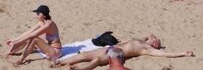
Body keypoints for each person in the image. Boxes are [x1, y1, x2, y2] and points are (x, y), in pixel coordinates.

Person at [60, 35, 194, 70]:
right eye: (155, 39)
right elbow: (139, 37)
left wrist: (182, 53)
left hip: (117, 54)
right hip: (110, 47)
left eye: (156, 43)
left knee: (97, 61)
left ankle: (80, 69)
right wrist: (148, 36)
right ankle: (59, 62)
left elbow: (164, 54)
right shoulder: (140, 41)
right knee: (83, 55)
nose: (155, 42)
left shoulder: (146, 49)